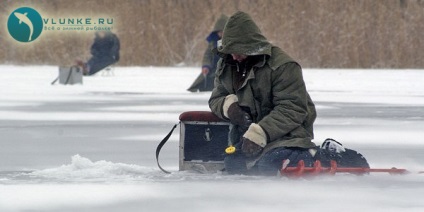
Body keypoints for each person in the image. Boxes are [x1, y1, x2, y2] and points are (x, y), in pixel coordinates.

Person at [209, 11, 368, 176]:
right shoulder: (226, 64)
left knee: (268, 165)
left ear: (252, 46)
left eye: (239, 50)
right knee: (234, 166)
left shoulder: (283, 66)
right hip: (247, 140)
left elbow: (293, 108)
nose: (234, 56)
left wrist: (259, 133)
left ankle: (323, 156)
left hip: (287, 135)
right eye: (230, 50)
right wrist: (229, 107)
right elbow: (216, 98)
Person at [187, 14, 228, 92]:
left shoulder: (232, 42)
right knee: (205, 83)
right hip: (214, 68)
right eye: (219, 32)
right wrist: (206, 66)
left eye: (223, 32)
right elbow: (207, 55)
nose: (221, 34)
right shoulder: (213, 42)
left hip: (226, 69)